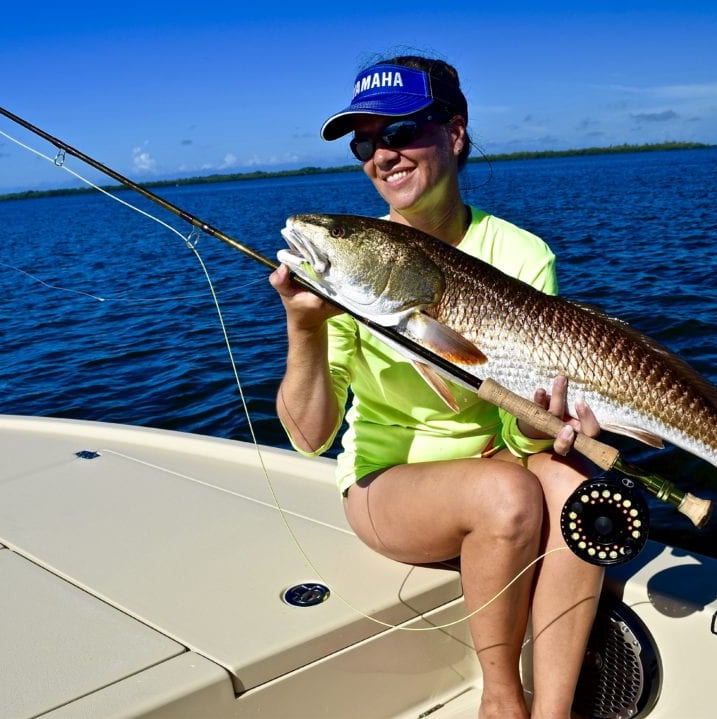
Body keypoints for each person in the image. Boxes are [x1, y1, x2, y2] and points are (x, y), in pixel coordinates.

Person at [270, 54, 607, 719]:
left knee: (576, 488)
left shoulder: (521, 252)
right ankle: (503, 700)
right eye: (365, 142)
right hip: (388, 483)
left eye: (400, 131)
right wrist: (303, 327)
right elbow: (309, 436)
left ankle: (556, 711)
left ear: (455, 133)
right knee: (506, 494)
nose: (381, 155)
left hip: (496, 456)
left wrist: (549, 423)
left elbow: (517, 425)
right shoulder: (350, 265)